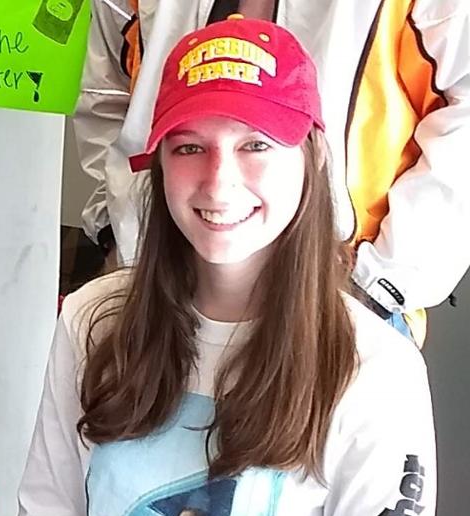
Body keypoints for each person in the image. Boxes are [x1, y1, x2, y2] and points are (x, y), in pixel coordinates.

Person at [5, 20, 436, 516]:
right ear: (159, 163)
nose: (218, 179)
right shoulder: (92, 321)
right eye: (189, 147)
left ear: (312, 158)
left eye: (256, 145)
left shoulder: (375, 370)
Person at [75, 1, 470, 342]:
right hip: (153, 277)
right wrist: (119, 226)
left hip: (342, 290)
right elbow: (103, 85)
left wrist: (383, 277)